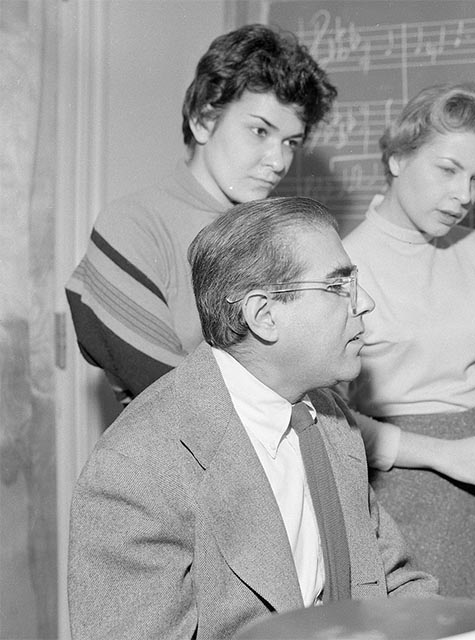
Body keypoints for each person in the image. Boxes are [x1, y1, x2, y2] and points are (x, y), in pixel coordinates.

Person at [68, 197, 437, 640]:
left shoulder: (329, 416)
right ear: (263, 316)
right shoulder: (134, 470)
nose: (366, 303)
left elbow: (394, 582)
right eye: (339, 286)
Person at [65, 24, 337, 404]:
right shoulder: (132, 226)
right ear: (203, 120)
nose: (278, 161)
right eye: (260, 131)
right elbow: (175, 398)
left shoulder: (279, 233)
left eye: (290, 142)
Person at [342, 83, 475, 600]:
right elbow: (327, 419)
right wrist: (444, 455)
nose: (463, 195)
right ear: (399, 157)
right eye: (448, 170)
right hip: (399, 486)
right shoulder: (343, 266)